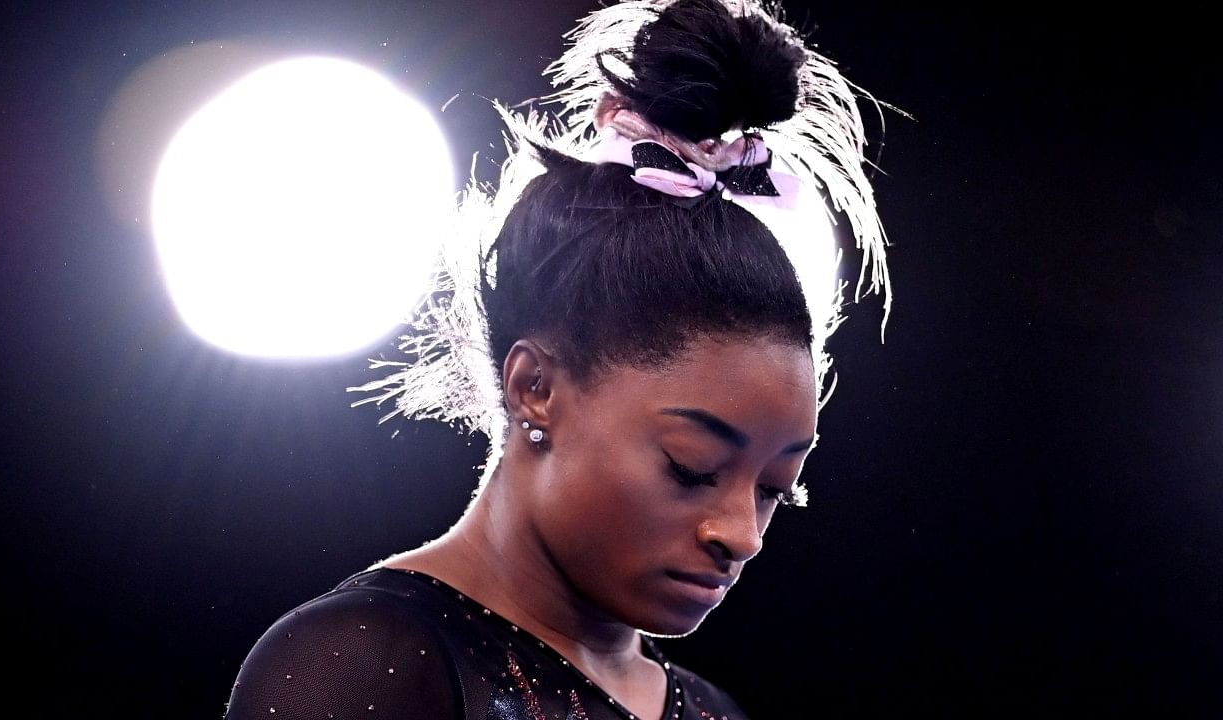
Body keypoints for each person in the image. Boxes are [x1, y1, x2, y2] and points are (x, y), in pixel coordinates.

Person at [224, 0, 891, 717]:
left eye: (775, 488)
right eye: (692, 467)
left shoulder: (713, 712)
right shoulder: (365, 662)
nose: (742, 535)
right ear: (535, 386)